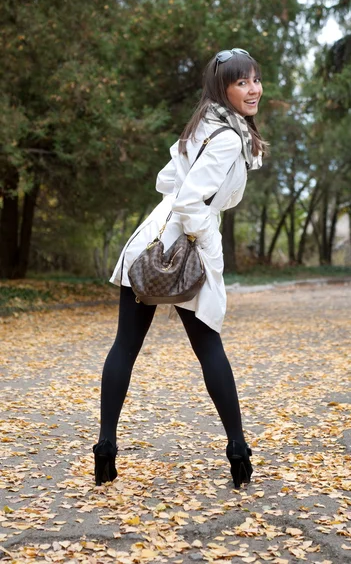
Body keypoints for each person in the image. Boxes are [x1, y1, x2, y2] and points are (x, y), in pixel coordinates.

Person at [93, 48, 268, 489]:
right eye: (241, 82)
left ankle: (105, 450)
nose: (253, 89)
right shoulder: (228, 137)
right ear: (222, 88)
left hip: (149, 243)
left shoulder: (203, 124)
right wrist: (210, 253)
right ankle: (238, 452)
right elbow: (190, 200)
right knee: (209, 347)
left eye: (254, 80)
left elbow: (166, 182)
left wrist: (187, 212)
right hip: (185, 246)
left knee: (125, 347)